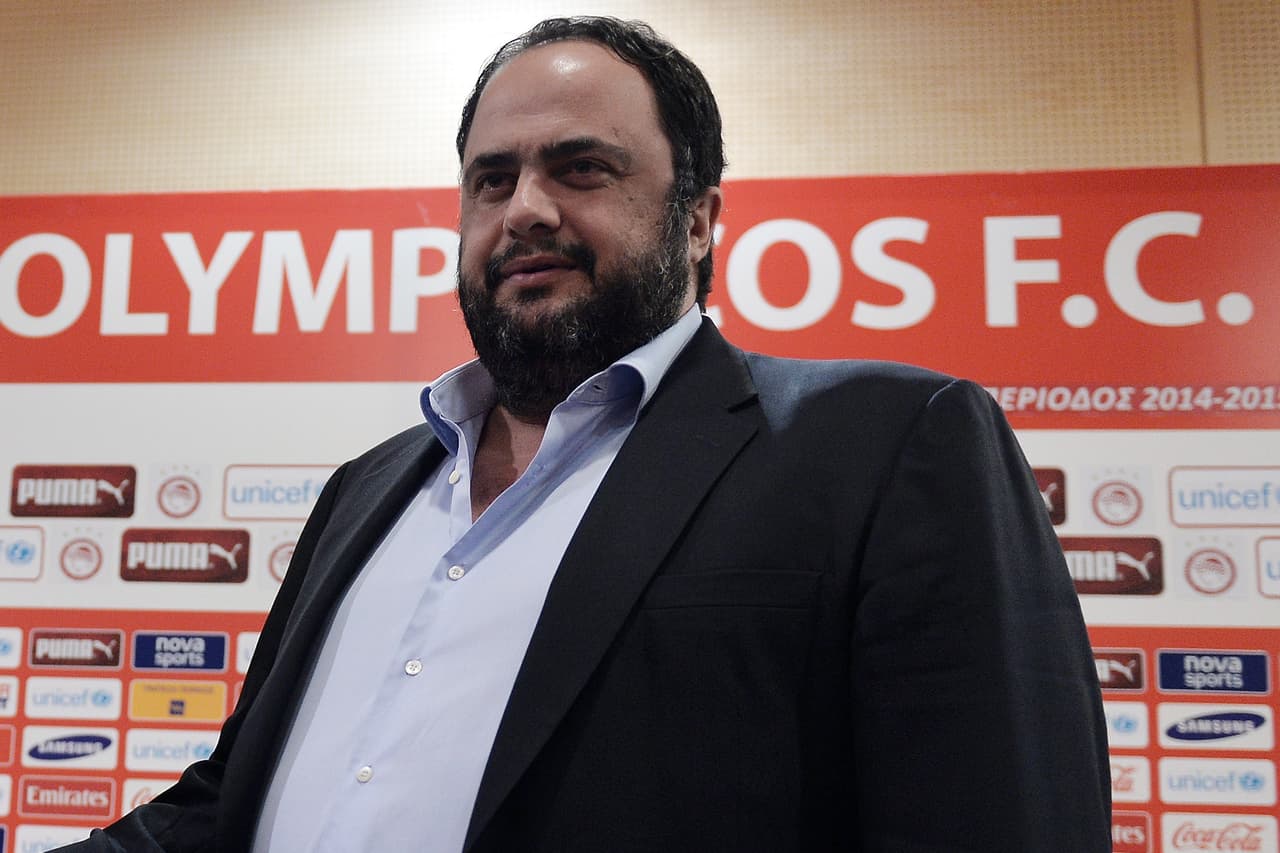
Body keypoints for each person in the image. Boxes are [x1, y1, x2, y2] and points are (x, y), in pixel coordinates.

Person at [61, 16, 1110, 853]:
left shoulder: (885, 444)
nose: (522, 209)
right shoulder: (366, 488)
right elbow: (229, 805)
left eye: (580, 169)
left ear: (696, 220)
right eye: (491, 178)